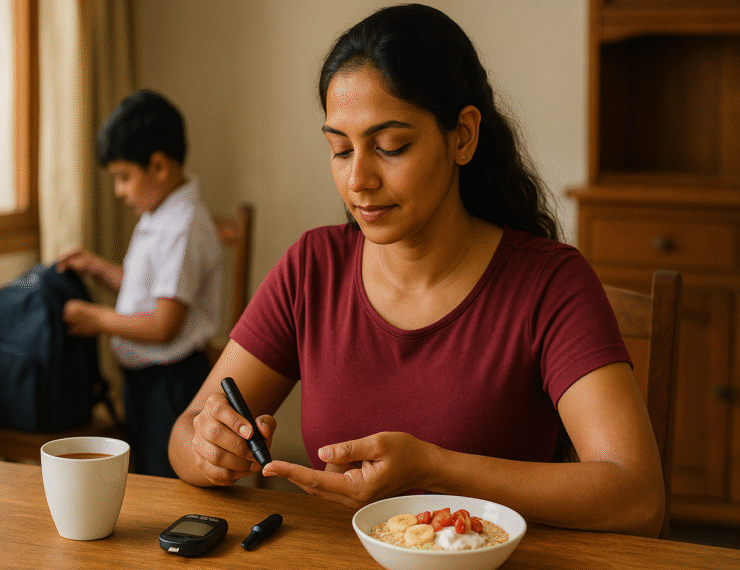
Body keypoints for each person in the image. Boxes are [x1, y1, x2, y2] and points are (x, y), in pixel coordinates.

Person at [168, 4, 665, 537]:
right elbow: (184, 434)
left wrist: (433, 467)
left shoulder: (549, 284)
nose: (358, 179)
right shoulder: (313, 268)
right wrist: (210, 448)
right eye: (340, 149)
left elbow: (636, 496)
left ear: (463, 137)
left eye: (391, 146)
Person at [57, 89, 222, 477]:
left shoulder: (182, 227)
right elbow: (147, 291)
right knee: (147, 474)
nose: (119, 191)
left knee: (166, 481)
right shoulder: (160, 212)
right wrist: (98, 268)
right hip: (147, 382)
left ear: (159, 167)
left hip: (173, 384)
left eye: (123, 177)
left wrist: (98, 320)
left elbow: (163, 324)